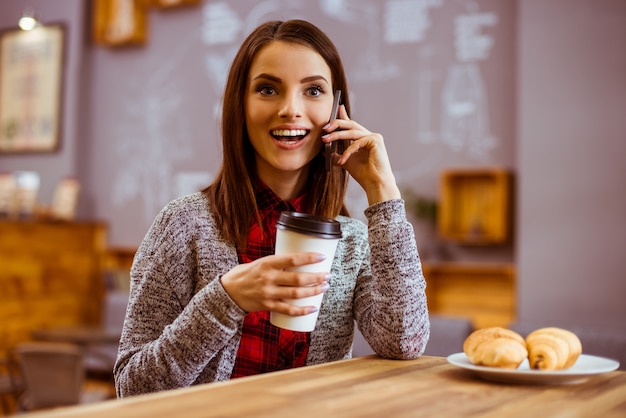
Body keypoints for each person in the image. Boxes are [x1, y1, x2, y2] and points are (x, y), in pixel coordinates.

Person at [114, 19, 430, 398]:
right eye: (267, 89)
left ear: (337, 111)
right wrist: (226, 299)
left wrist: (383, 190)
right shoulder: (184, 224)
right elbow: (131, 388)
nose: (290, 109)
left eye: (313, 90)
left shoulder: (353, 243)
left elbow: (405, 342)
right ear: (240, 105)